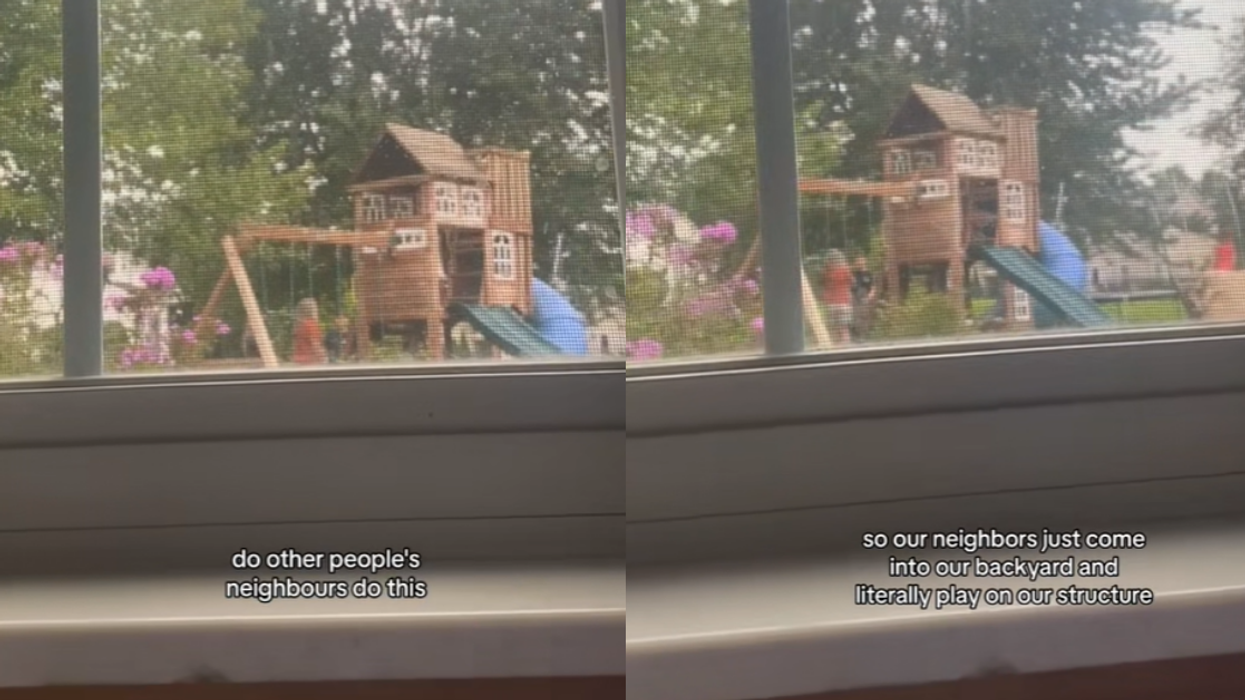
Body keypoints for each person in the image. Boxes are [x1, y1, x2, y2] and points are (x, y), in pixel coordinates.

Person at [820, 249, 854, 344]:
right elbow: (852, 282)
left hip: (832, 303)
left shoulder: (826, 271)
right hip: (844, 302)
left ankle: (836, 346)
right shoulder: (845, 270)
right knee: (844, 327)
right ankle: (845, 346)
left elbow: (824, 285)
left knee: (834, 327)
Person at [291, 297, 327, 364]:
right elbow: (315, 344)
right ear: (312, 310)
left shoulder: (298, 326)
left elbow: (294, 345)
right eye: (316, 308)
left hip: (299, 360)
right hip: (311, 361)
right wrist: (323, 358)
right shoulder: (311, 325)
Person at [850, 256, 876, 341]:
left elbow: (873, 287)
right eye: (858, 261)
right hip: (855, 296)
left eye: (861, 261)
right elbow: (850, 286)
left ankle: (863, 335)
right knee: (855, 316)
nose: (860, 263)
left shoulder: (868, 274)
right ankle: (856, 335)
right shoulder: (853, 274)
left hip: (865, 296)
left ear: (865, 262)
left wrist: (869, 297)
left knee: (864, 316)